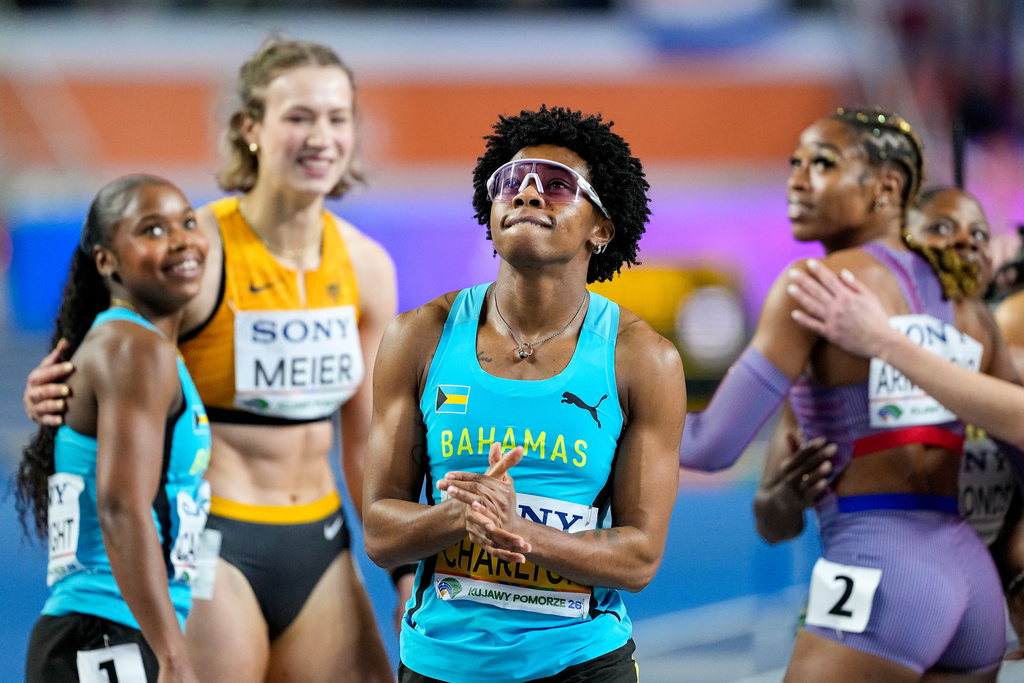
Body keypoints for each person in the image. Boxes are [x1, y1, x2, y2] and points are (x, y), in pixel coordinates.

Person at [23, 39, 398, 682]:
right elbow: (113, 362)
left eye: (337, 118)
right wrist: (56, 392)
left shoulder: (367, 268)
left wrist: (402, 574)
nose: (322, 137)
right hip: (212, 547)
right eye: (299, 117)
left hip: (321, 541)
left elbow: (367, 449)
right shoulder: (196, 251)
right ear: (250, 128)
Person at [678, 107, 1019, 681]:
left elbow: (709, 447)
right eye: (795, 164)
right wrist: (783, 499)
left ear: (885, 189)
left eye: (823, 163)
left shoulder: (816, 288)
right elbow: (774, 518)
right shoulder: (971, 315)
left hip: (879, 570)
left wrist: (594, 402)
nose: (797, 179)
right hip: (974, 589)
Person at [361, 105, 685, 682]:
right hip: (439, 664)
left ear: (601, 228)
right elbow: (382, 534)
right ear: (490, 213)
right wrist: (457, 514)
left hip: (579, 663)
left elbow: (638, 558)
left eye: (557, 186)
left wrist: (519, 532)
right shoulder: (419, 338)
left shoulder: (641, 359)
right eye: (511, 181)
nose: (528, 193)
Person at [754, 185, 1024, 659]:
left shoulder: (997, 346)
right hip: (873, 584)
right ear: (900, 247)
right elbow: (772, 520)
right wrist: (787, 496)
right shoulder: (833, 375)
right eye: (940, 228)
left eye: (980, 234)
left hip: (976, 587)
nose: (966, 242)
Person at [18, 175, 211, 683]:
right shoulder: (134, 349)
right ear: (106, 261)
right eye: (151, 229)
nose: (180, 239)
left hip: (105, 631)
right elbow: (122, 507)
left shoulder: (138, 343)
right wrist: (173, 654)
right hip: (106, 633)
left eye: (188, 222)